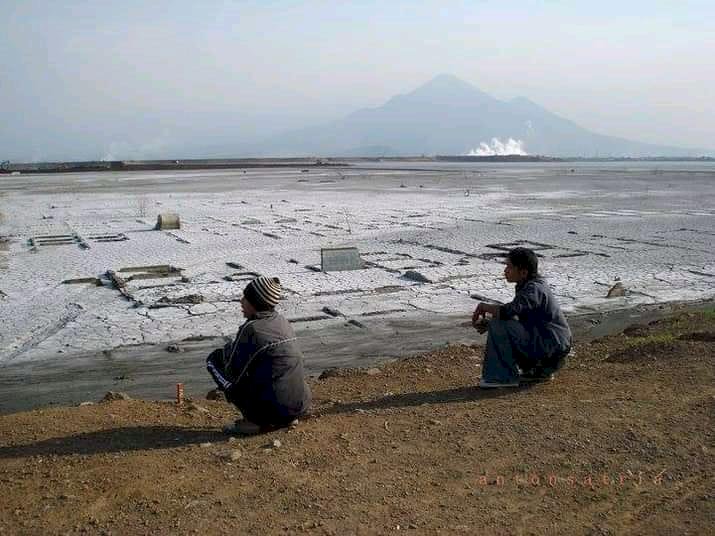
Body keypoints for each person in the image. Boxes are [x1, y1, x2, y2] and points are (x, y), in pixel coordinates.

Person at [207, 276, 312, 434]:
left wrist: (229, 350)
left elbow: (232, 371)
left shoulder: (252, 328)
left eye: (246, 298)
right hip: (300, 405)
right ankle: (285, 417)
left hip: (273, 411)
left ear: (255, 303)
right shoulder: (281, 320)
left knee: (213, 360)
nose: (241, 302)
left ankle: (255, 421)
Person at [472, 247, 572, 388]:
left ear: (523, 272)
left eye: (509, 267)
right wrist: (490, 324)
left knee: (499, 322)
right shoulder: (529, 285)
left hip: (551, 347)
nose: (505, 270)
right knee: (497, 323)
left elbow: (509, 311)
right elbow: (521, 317)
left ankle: (501, 378)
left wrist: (484, 307)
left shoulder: (534, 289)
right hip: (552, 346)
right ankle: (538, 371)